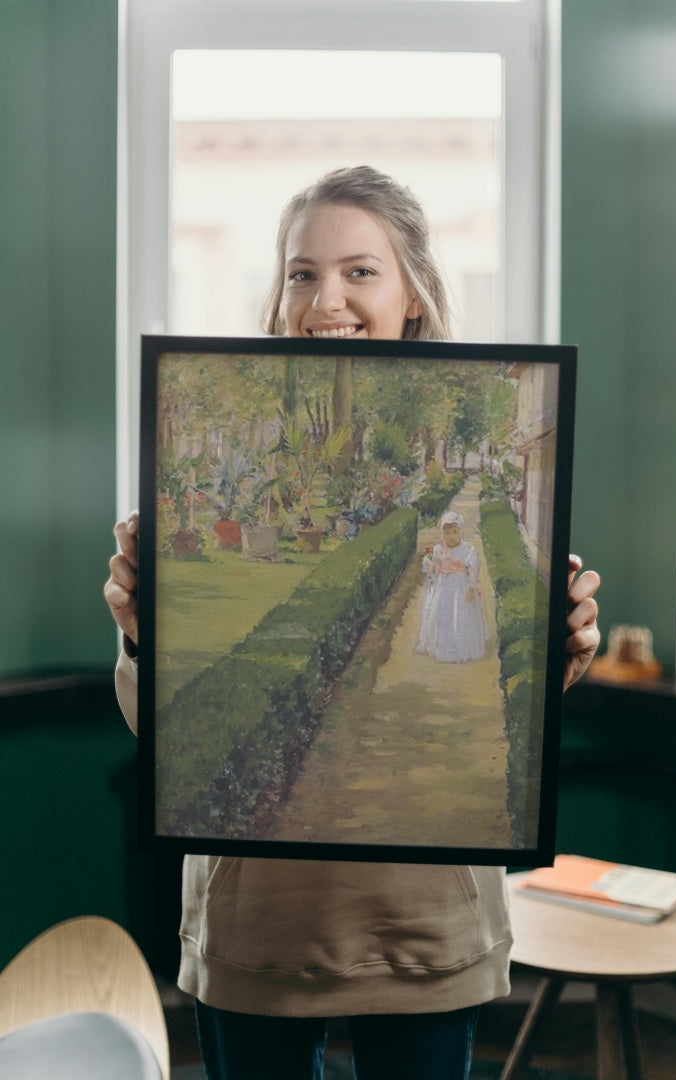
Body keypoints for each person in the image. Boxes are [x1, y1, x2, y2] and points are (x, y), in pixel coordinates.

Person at [105, 166, 601, 1080]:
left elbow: (520, 724)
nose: (324, 298)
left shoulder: (498, 433)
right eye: (301, 272)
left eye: (359, 271)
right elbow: (171, 735)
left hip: (424, 925)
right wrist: (144, 637)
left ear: (412, 292)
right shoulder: (203, 432)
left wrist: (562, 648)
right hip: (256, 928)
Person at [417, 511, 486, 663]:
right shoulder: (438, 549)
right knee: (442, 614)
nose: (451, 536)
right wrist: (430, 566)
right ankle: (441, 646)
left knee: (460, 614)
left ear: (460, 531)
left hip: (460, 587)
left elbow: (474, 568)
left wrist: (471, 588)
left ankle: (462, 647)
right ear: (442, 533)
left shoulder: (468, 550)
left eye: (455, 532)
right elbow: (431, 566)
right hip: (443, 587)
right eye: (447, 533)